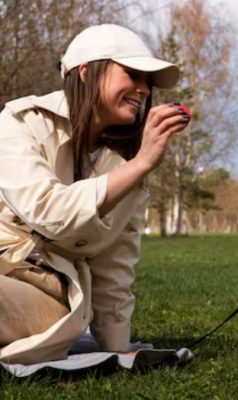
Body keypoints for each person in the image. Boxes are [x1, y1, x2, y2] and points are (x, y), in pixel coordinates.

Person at [0, 24, 188, 364]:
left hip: (47, 290)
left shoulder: (130, 165)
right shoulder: (20, 123)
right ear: (86, 72)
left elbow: (115, 265)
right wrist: (140, 163)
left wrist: (116, 349)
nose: (144, 90)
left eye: (149, 82)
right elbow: (47, 208)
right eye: (132, 74)